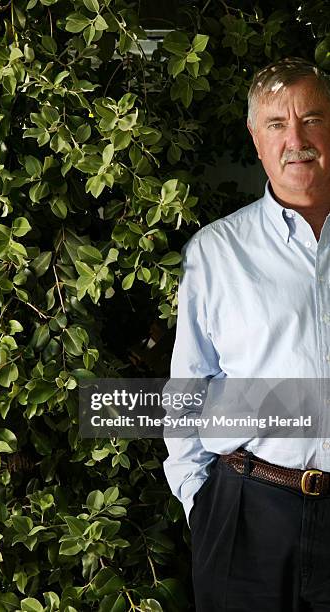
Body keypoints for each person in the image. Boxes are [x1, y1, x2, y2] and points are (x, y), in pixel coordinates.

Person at [163, 57, 330, 611]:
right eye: (278, 125)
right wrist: (203, 503)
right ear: (256, 140)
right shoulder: (215, 253)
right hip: (245, 517)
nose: (297, 140)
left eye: (312, 119)